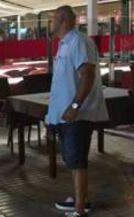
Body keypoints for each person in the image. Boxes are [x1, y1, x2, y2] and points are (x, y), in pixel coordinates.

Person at [46, 6, 109, 217]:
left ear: (62, 20)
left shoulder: (78, 42)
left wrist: (75, 106)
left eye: (53, 18)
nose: (50, 23)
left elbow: (87, 75)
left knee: (77, 159)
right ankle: (79, 200)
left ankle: (80, 209)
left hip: (78, 115)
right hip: (66, 115)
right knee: (72, 159)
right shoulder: (64, 44)